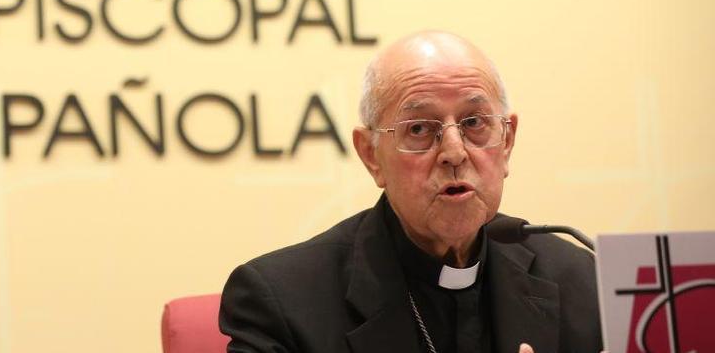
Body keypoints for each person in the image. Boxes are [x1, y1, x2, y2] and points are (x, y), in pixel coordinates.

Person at [220, 31, 602, 353]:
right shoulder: (282, 304)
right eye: (419, 129)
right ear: (371, 155)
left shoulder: (582, 281)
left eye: (474, 122)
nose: (454, 152)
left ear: (507, 142)